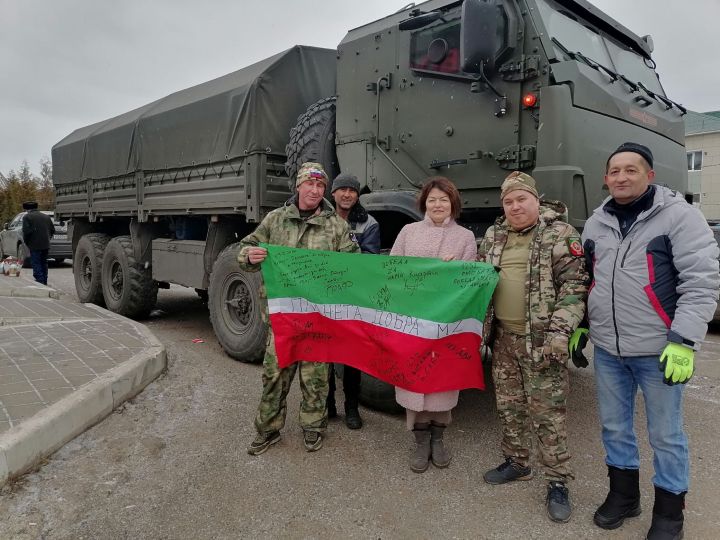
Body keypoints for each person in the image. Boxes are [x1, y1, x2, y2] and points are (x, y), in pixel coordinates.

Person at [574, 142, 719, 539]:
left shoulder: (679, 218)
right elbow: (590, 280)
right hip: (608, 350)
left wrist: (684, 341)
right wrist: (583, 324)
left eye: (631, 170)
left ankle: (671, 511)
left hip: (660, 350)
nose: (622, 177)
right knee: (615, 428)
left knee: (666, 435)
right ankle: (624, 496)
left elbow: (701, 283)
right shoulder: (596, 222)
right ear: (606, 178)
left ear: (649, 175)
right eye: (614, 171)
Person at [477, 171, 588, 523]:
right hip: (504, 339)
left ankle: (557, 481)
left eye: (521, 199)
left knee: (547, 414)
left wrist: (559, 333)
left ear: (536, 200)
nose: (514, 206)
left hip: (543, 342)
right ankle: (517, 462)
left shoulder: (560, 234)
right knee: (509, 406)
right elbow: (479, 280)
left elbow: (574, 288)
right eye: (508, 201)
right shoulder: (494, 235)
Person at [238, 162, 360, 455]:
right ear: (298, 186)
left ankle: (313, 428)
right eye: (310, 184)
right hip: (283, 320)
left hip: (319, 320)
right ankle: (267, 430)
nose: (315, 191)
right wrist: (249, 256)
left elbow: (354, 265)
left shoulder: (336, 226)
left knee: (316, 380)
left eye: (320, 186)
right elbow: (244, 249)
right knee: (274, 377)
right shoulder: (275, 220)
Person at [389, 176, 477, 473]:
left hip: (447, 326)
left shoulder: (465, 238)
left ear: (453, 202)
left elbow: (469, 286)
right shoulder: (408, 232)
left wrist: (455, 272)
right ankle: (420, 441)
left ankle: (438, 438)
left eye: (443, 199)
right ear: (424, 203)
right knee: (414, 381)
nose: (438, 205)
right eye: (432, 199)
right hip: (412, 324)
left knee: (442, 382)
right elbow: (392, 272)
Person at [326, 172, 381, 430]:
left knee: (351, 356)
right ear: (333, 193)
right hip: (323, 298)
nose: (347, 194)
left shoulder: (369, 223)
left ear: (357, 196)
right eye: (342, 189)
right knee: (324, 353)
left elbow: (369, 261)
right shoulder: (322, 218)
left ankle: (351, 408)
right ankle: (328, 404)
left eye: (352, 190)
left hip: (353, 300)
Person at [21, 201, 55, 285]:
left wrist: (27, 242)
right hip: (46, 244)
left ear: (27, 209)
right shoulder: (46, 217)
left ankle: (40, 281)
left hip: (34, 244)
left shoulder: (27, 217)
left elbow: (26, 232)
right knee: (44, 262)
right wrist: (48, 238)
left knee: (36, 262)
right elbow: (52, 230)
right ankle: (44, 280)